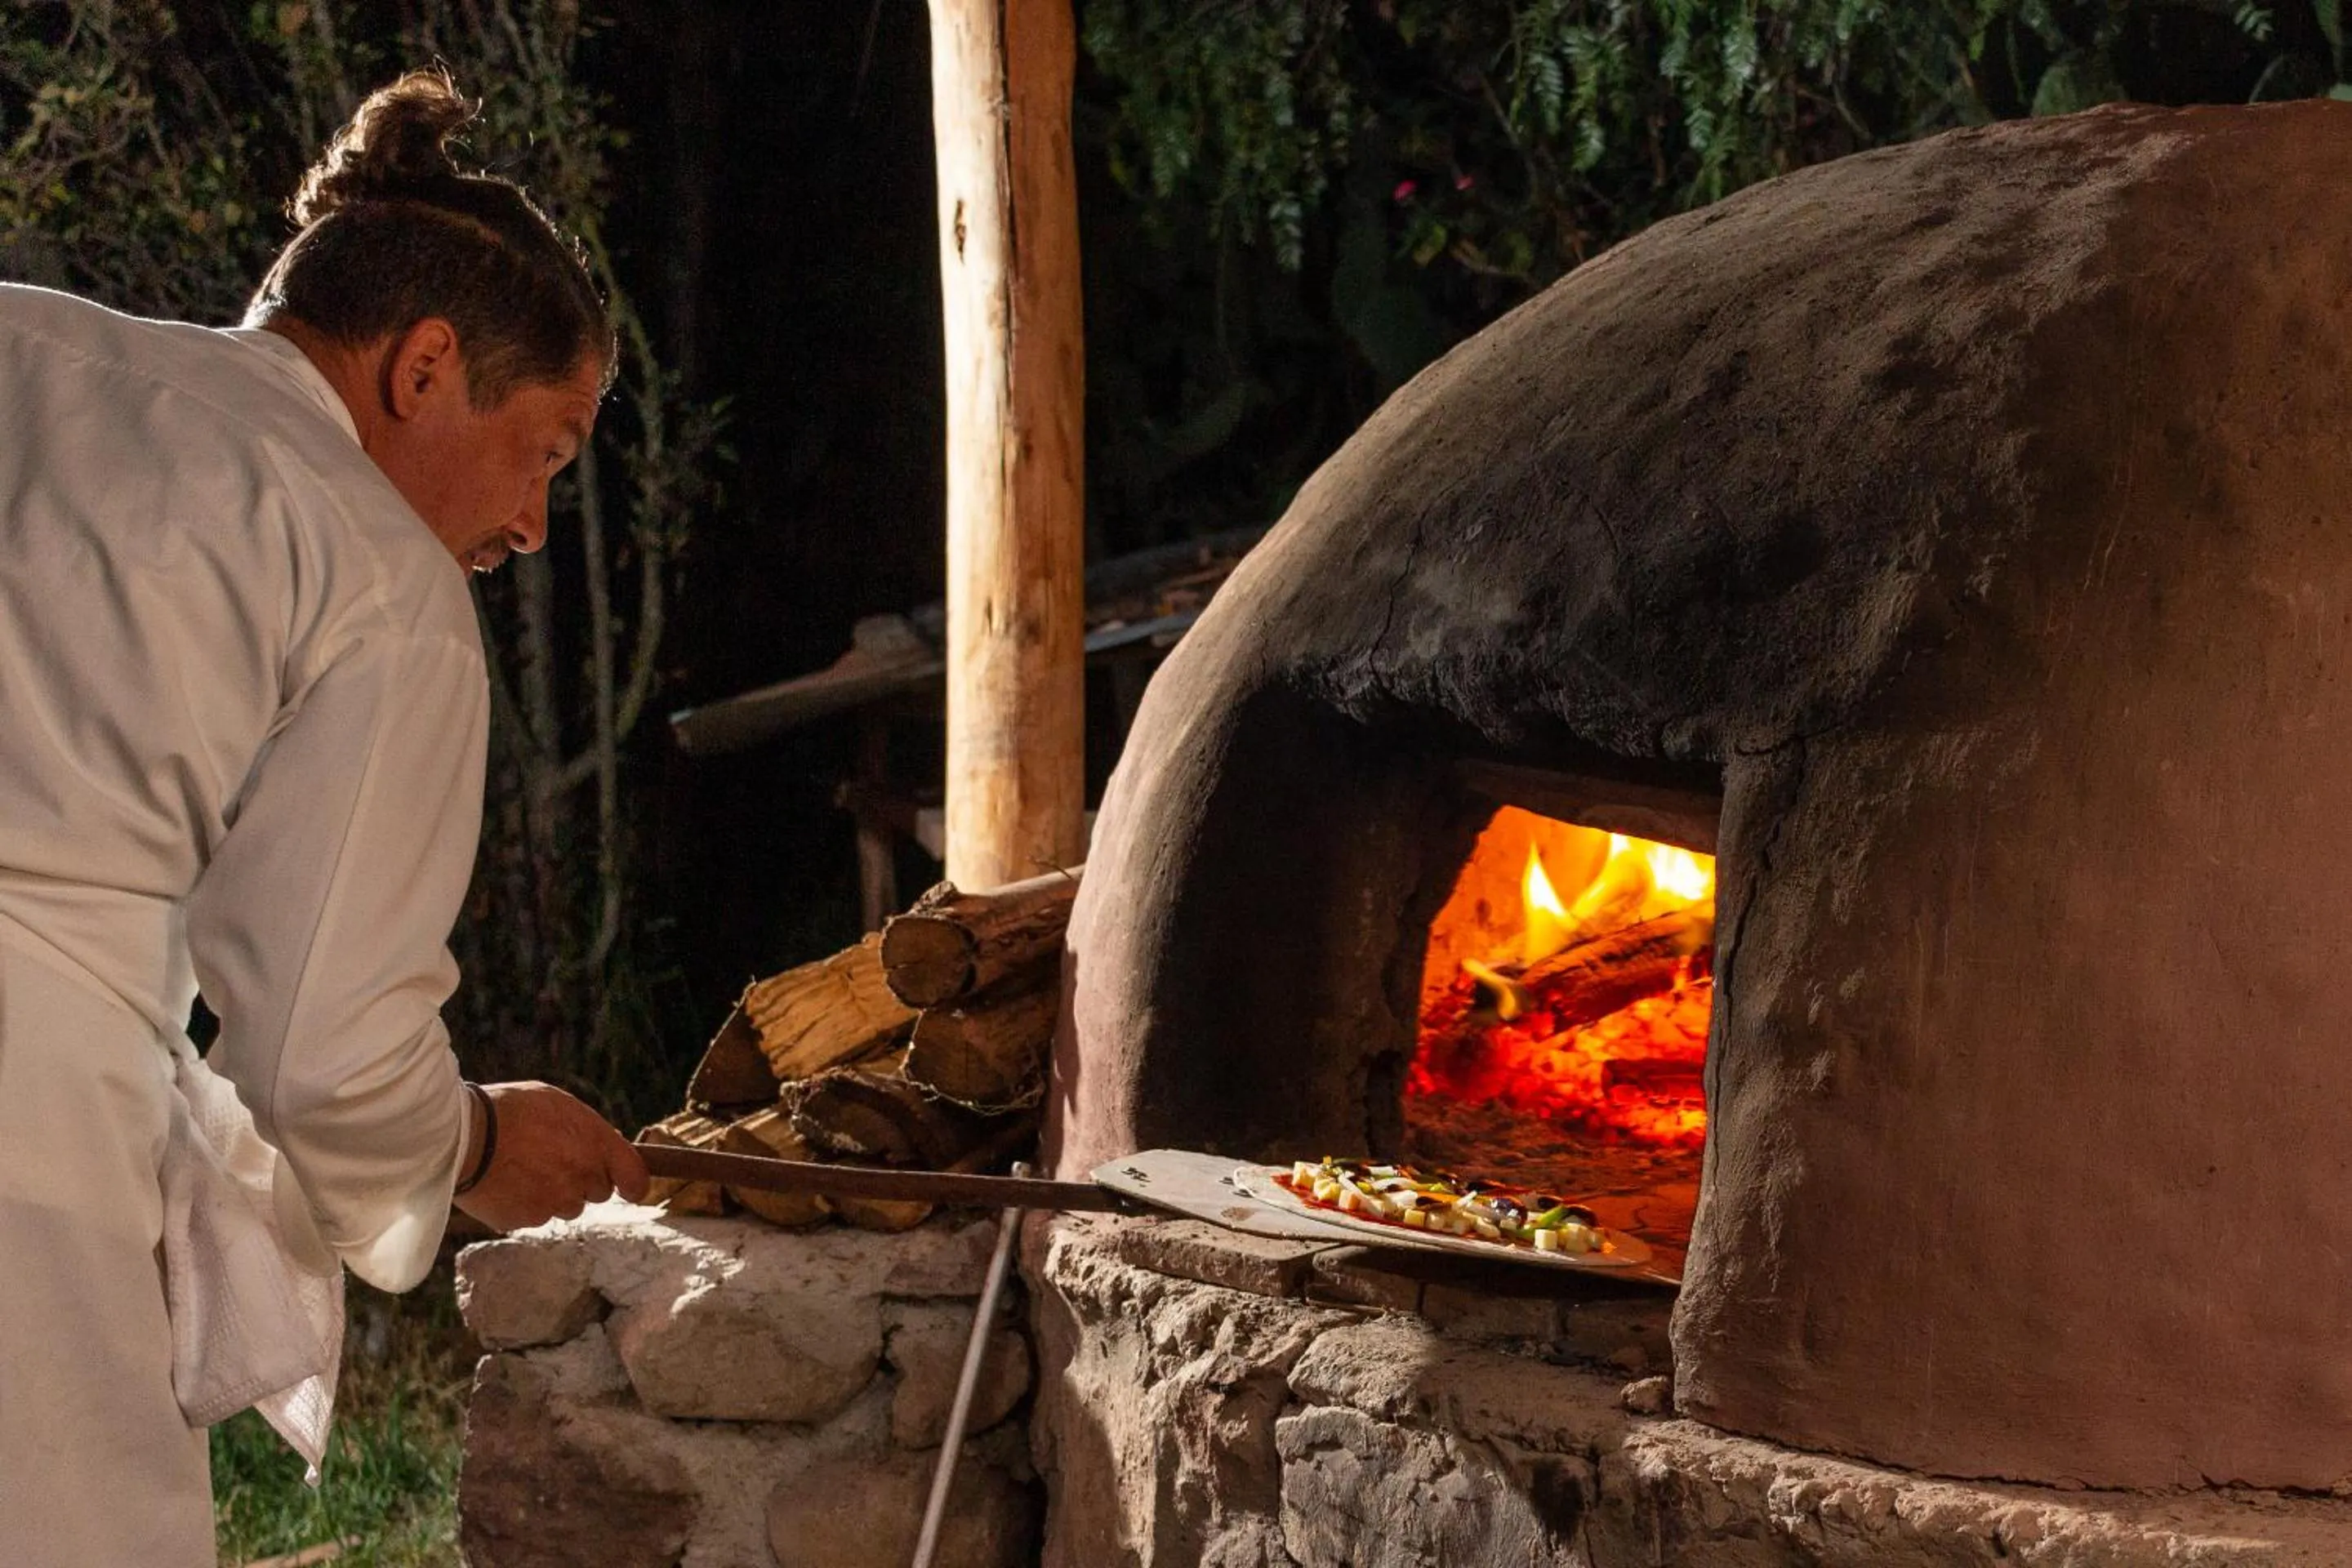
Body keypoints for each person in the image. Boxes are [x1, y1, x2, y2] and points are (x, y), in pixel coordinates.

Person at [0, 70, 651, 1567]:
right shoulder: (375, 572)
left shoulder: (26, 341)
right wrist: (481, 1143)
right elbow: (324, 1056)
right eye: (546, 450)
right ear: (425, 367)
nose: (537, 523)